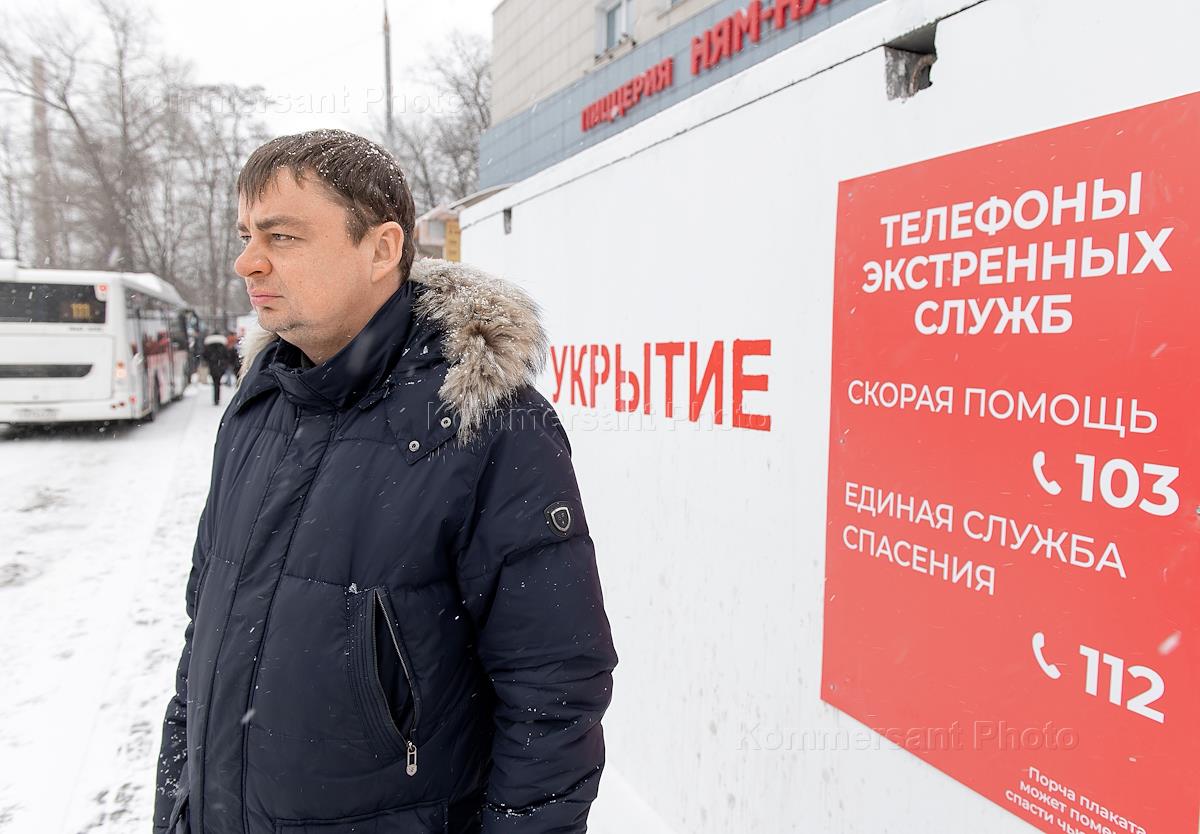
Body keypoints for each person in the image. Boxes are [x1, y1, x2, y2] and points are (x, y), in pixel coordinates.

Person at [152, 129, 618, 834]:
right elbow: (202, 640)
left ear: (381, 248)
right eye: (247, 235)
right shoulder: (256, 407)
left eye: (281, 236)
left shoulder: (487, 424)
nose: (247, 261)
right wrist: (177, 806)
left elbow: (553, 693)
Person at [200, 332, 230, 406]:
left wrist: (209, 361)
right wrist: (224, 363)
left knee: (215, 383)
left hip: (212, 366)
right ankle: (217, 398)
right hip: (220, 367)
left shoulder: (209, 346)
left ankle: (215, 399)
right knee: (218, 382)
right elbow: (227, 356)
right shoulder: (222, 346)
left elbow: (204, 355)